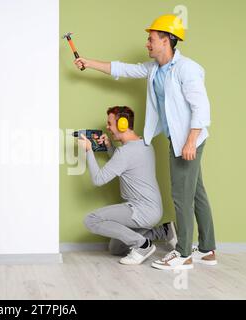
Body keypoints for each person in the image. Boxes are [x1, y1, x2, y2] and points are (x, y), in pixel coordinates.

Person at [74, 15, 217, 270]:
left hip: (189, 140)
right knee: (197, 193)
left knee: (181, 196)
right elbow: (122, 69)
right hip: (178, 139)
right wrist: (89, 62)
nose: (147, 43)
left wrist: (191, 141)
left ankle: (183, 254)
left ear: (166, 40)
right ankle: (207, 249)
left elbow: (201, 108)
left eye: (151, 39)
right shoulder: (154, 70)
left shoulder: (187, 68)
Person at [81, 106, 177, 265]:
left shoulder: (124, 153)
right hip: (153, 210)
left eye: (110, 123)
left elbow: (98, 179)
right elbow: (127, 165)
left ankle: (143, 245)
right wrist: (110, 147)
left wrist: (88, 151)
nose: (107, 127)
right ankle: (162, 231)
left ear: (122, 124)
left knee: (91, 220)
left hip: (140, 210)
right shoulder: (145, 144)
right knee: (116, 248)